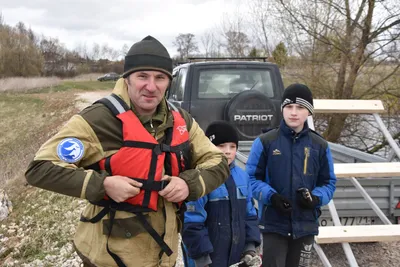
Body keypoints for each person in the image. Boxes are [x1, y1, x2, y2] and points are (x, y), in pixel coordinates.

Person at [25, 36, 230, 267]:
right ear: (128, 79)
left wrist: (187, 184)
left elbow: (218, 162)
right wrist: (103, 185)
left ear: (168, 82)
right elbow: (39, 168)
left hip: (164, 256)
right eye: (142, 76)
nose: (151, 87)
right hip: (109, 258)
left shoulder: (180, 120)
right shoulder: (98, 120)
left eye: (160, 78)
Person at [246, 84, 337, 267]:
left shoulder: (319, 145)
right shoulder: (265, 142)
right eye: (289, 107)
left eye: (300, 107)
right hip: (274, 225)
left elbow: (328, 183)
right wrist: (272, 197)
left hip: (305, 227)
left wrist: (315, 198)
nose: (293, 112)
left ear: (309, 112)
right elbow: (251, 179)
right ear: (282, 110)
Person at [182, 121, 261, 267]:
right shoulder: (199, 177)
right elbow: (192, 222)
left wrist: (250, 248)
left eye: (232, 146)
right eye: (221, 146)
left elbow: (250, 216)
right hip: (206, 259)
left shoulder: (242, 177)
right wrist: (202, 259)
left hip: (236, 257)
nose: (227, 151)